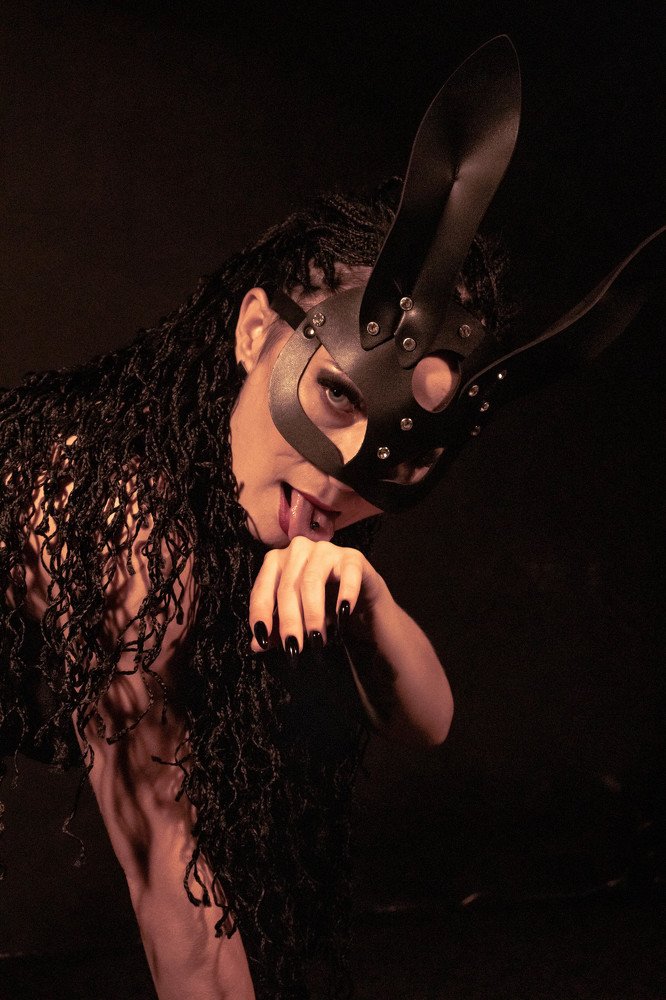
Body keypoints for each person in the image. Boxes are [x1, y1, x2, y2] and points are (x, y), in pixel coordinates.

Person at [0, 36, 660, 1000]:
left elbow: (429, 722)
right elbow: (172, 895)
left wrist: (367, 601)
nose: (347, 470)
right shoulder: (123, 526)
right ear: (255, 333)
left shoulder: (239, 510)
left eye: (403, 448)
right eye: (339, 396)